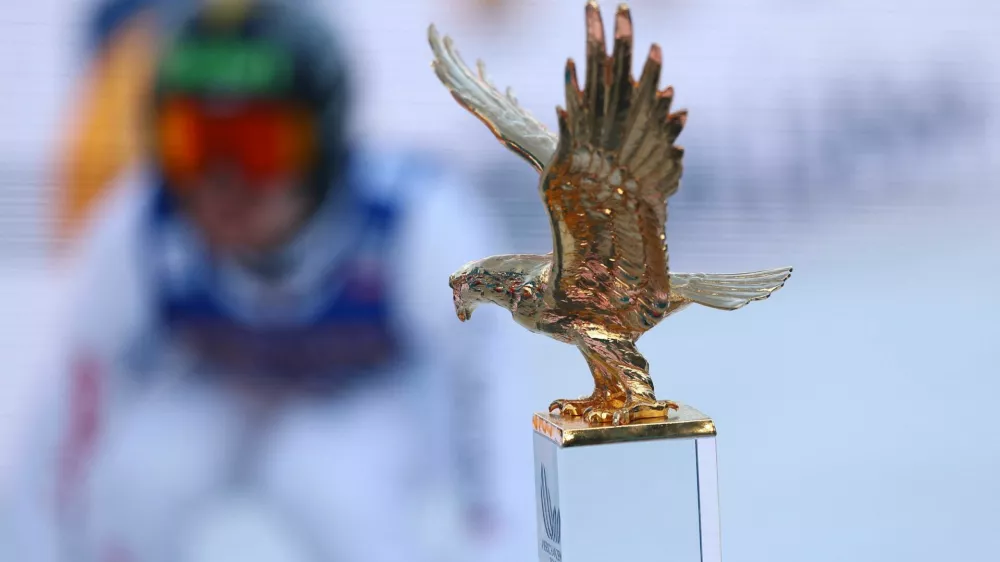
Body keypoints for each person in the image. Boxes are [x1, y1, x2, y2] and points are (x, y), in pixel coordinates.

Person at [7, 1, 529, 561]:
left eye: (257, 143)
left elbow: (491, 419)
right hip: (217, 393)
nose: (223, 182)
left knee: (333, 481)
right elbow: (60, 433)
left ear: (323, 140)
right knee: (143, 476)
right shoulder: (143, 228)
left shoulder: (411, 222)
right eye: (196, 143)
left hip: (368, 401)